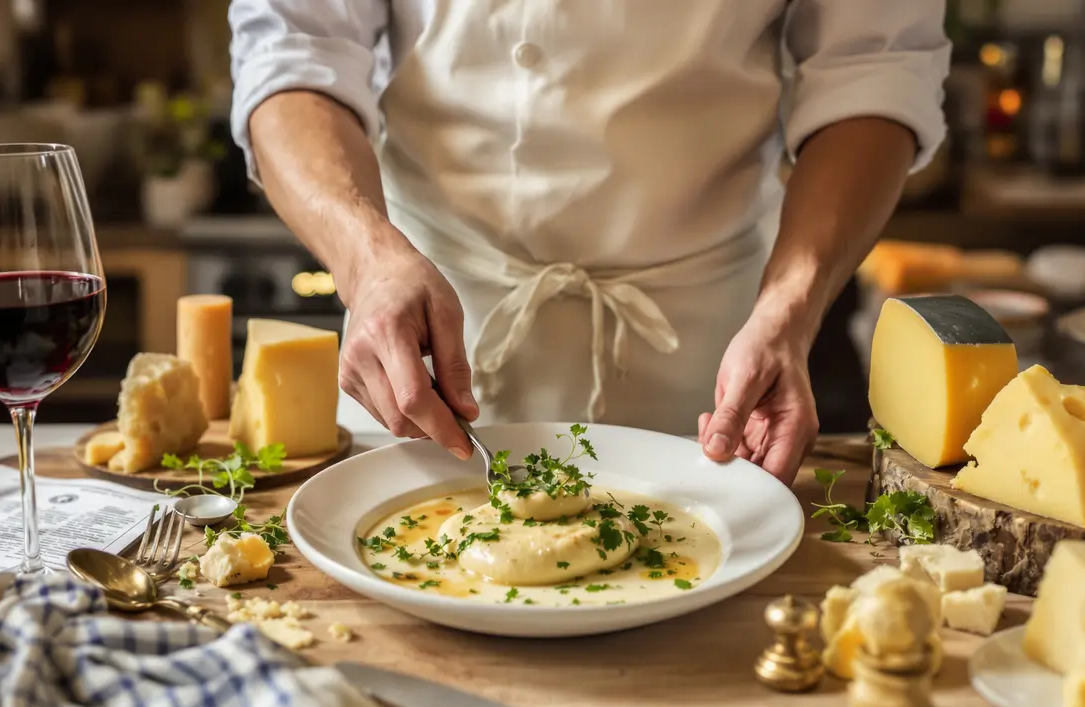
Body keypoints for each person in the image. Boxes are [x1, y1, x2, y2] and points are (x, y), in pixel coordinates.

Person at [229, 1, 949, 484]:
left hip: (710, 358)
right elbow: (293, 49)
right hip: (426, 334)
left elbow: (874, 70)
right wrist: (368, 263)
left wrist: (788, 311)